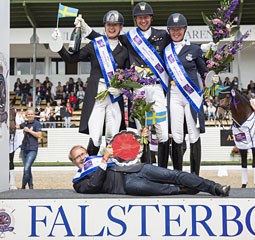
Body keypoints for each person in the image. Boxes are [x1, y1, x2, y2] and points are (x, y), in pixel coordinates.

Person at [82, 2, 171, 166]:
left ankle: (164, 171)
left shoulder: (163, 35)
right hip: (138, 91)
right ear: (135, 20)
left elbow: (177, 49)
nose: (143, 20)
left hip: (157, 88)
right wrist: (88, 32)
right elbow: (107, 39)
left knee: (162, 132)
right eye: (139, 18)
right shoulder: (129, 38)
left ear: (151, 18)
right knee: (141, 130)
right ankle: (146, 169)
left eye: (145, 17)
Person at [53, 10, 129, 155]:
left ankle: (113, 173)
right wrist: (58, 46)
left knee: (112, 137)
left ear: (120, 27)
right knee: (95, 137)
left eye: (115, 25)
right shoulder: (95, 45)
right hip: (97, 95)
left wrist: (122, 89)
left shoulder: (124, 50)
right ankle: (91, 173)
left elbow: (128, 75)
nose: (111, 28)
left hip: (115, 97)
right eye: (109, 25)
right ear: (105, 26)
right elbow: (71, 59)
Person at [69, 130, 230, 196]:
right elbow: (93, 186)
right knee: (167, 190)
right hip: (127, 185)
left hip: (137, 168)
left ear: (87, 153)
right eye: (77, 157)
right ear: (74, 162)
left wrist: (142, 139)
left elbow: (126, 154)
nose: (82, 158)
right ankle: (188, 189)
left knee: (174, 174)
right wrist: (104, 160)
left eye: (82, 154)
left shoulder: (96, 159)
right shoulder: (78, 181)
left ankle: (215, 188)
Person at [163, 13, 207, 175]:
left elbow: (205, 72)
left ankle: (195, 176)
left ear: (185, 30)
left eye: (179, 29)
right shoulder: (165, 51)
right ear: (169, 31)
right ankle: (178, 175)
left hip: (191, 96)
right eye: (173, 29)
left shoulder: (194, 49)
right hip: (174, 94)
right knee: (176, 134)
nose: (176, 32)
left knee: (193, 133)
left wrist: (215, 68)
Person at [16, 108, 42, 189]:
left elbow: (39, 135)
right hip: (24, 148)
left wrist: (29, 131)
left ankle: (23, 186)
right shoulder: (25, 123)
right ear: (26, 116)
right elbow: (17, 126)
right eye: (28, 114)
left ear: (34, 115)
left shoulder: (37, 124)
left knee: (26, 168)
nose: (30, 115)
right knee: (28, 168)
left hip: (32, 149)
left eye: (31, 114)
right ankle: (30, 185)